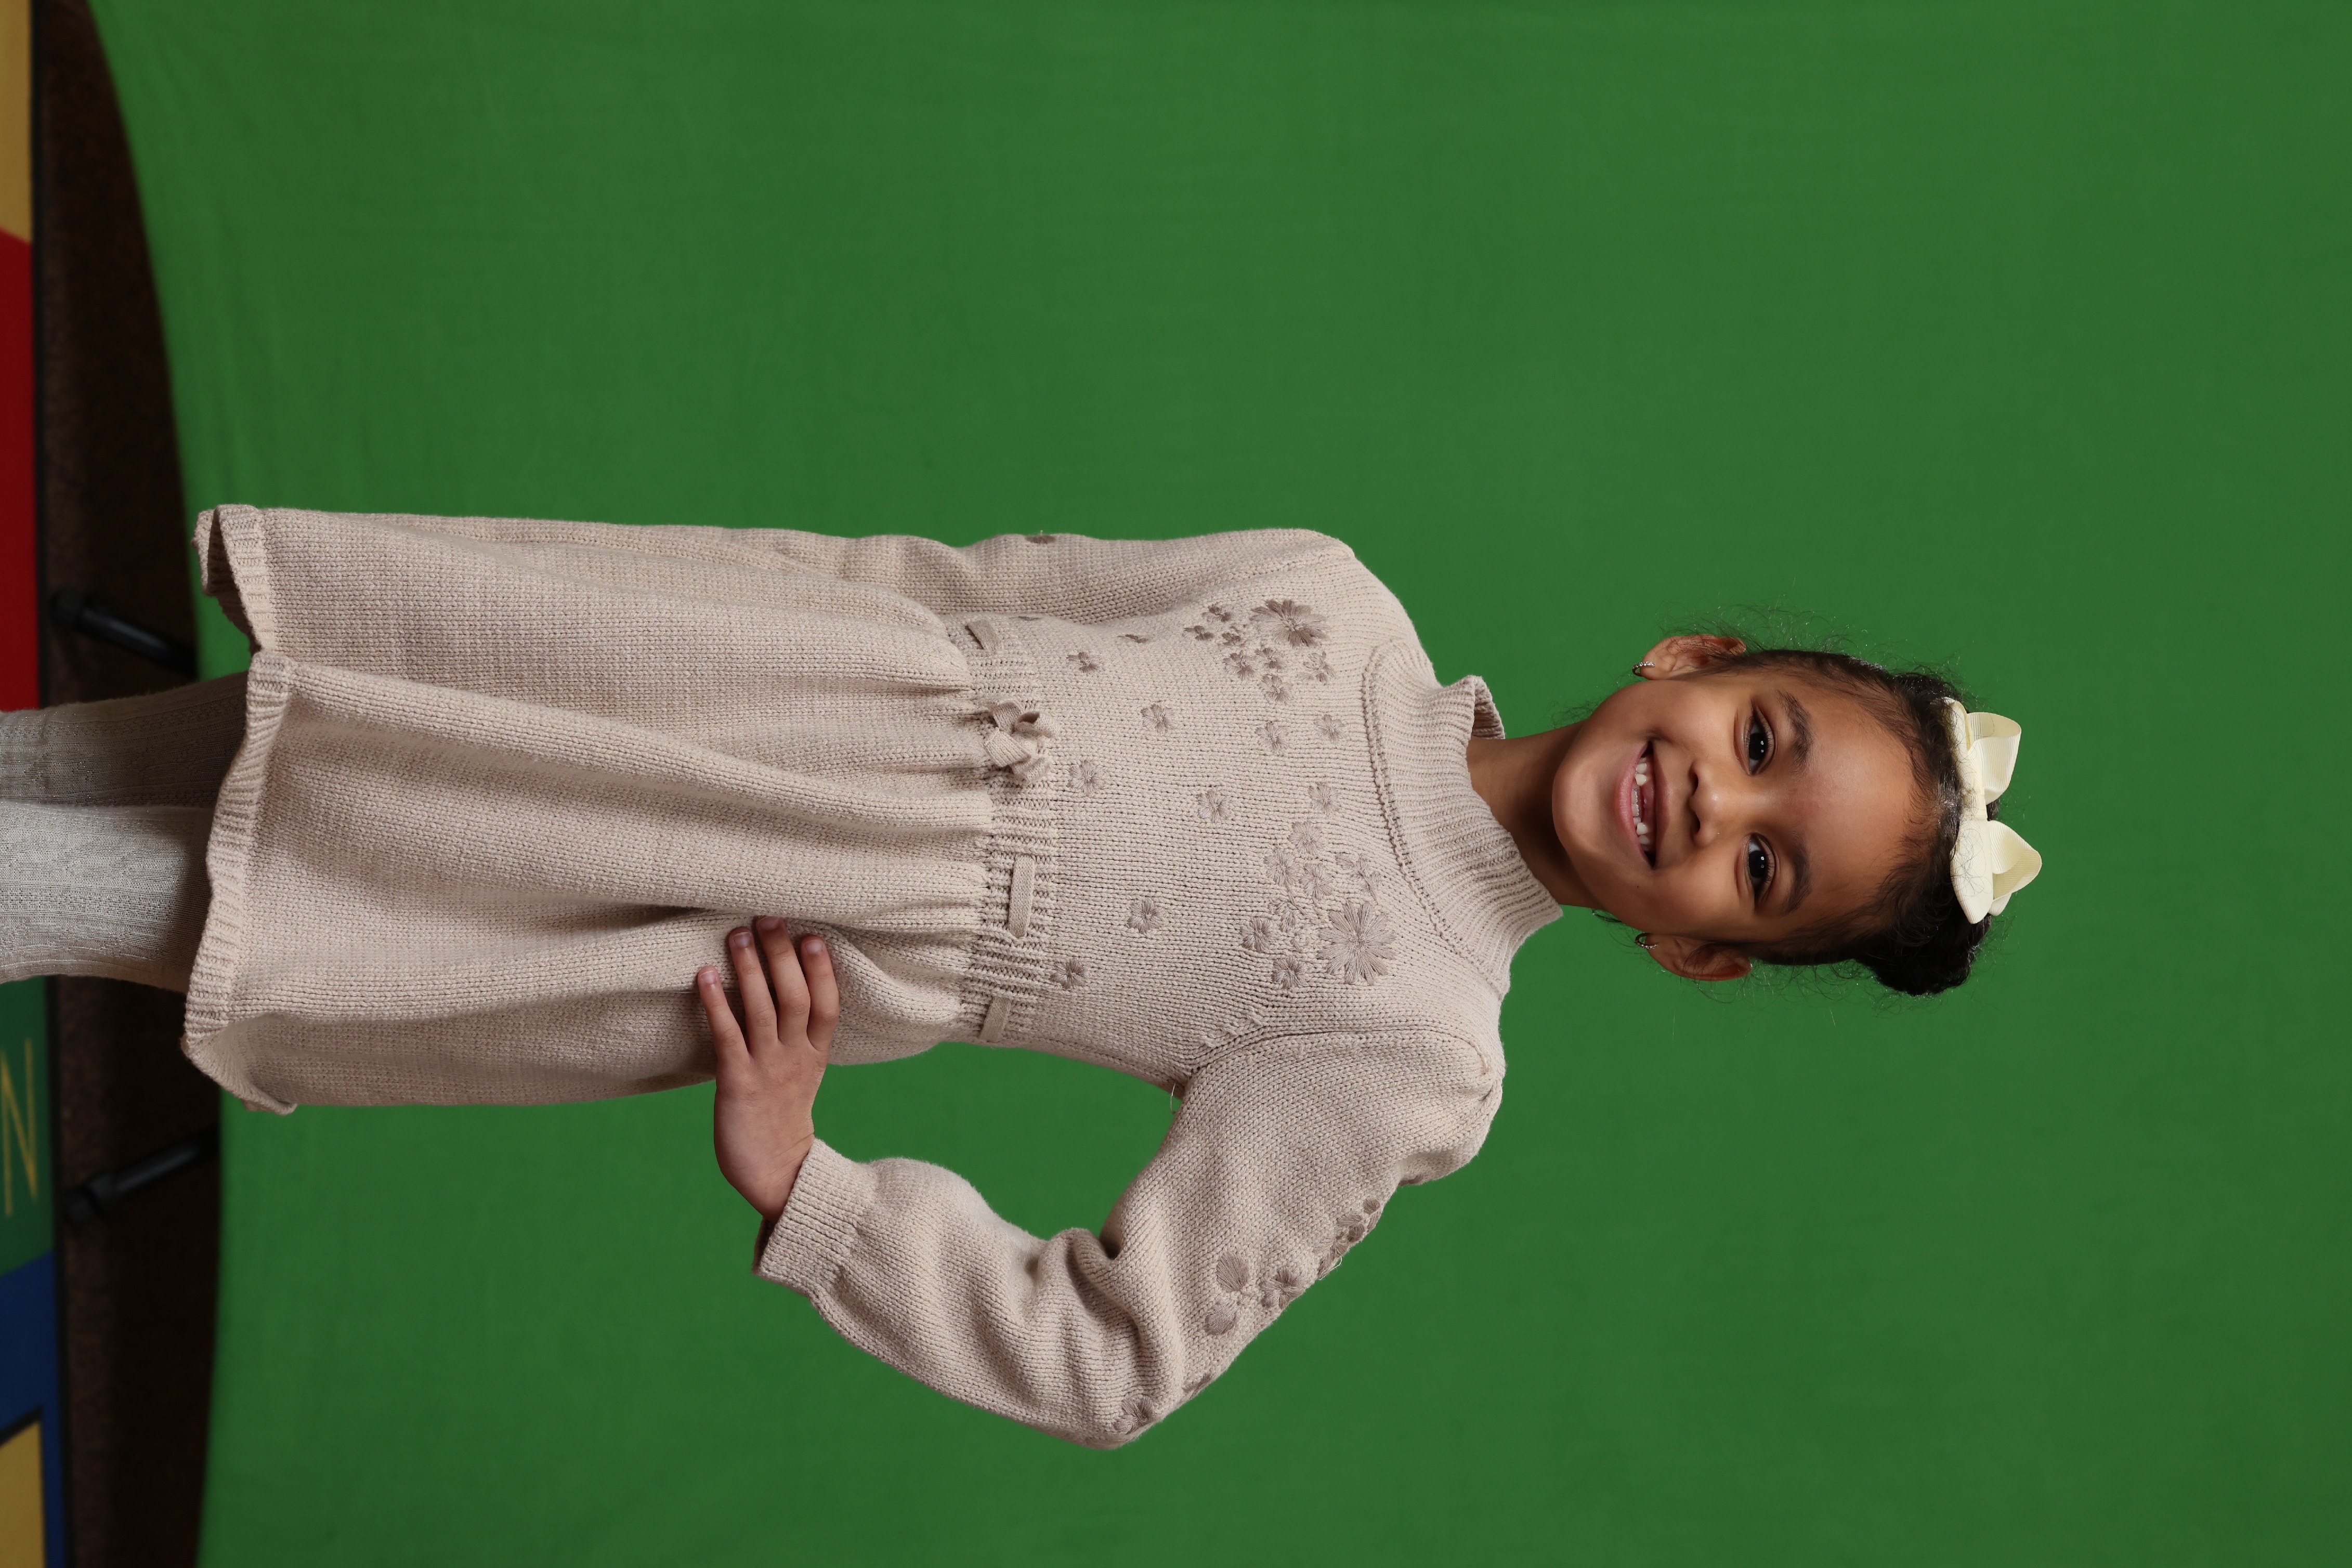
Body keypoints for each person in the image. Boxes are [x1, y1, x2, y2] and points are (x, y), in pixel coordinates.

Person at [0, 504, 2041, 1446]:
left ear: (1697, 949)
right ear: (1696, 656)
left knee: (126, 885)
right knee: (142, 760)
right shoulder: (1327, 599)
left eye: (1762, 870)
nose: (1710, 801)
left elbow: (1118, 1357)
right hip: (691, 687)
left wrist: (812, 1188)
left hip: (709, 926)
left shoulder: (1418, 1045)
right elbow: (948, 586)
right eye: (1759, 737)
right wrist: (628, 596)